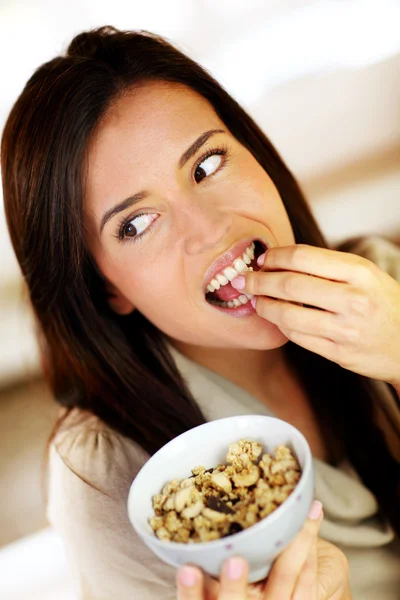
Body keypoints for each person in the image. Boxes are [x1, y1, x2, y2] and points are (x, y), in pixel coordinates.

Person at [1, 25, 400, 600]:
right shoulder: (108, 478)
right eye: (136, 224)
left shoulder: (381, 276)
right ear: (108, 288)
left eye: (207, 164)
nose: (211, 229)